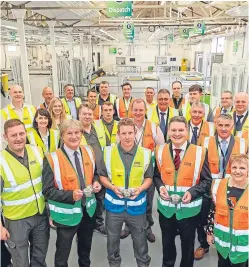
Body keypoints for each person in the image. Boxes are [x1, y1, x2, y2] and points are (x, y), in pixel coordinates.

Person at [42, 119, 102, 267]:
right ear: (62, 136)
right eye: (69, 133)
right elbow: (47, 191)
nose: (74, 136)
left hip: (88, 210)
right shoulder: (52, 159)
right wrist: (70, 195)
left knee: (85, 249)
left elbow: (94, 173)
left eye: (77, 133)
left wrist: (96, 182)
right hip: (66, 216)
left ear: (81, 134)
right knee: (62, 254)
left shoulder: (89, 151)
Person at [154, 116, 212, 267]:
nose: (177, 133)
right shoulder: (159, 151)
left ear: (187, 131)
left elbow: (207, 181)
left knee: (187, 246)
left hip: (189, 211)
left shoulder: (200, 152)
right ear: (168, 132)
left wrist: (192, 193)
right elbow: (155, 176)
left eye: (181, 130)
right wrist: (160, 187)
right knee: (167, 245)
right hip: (166, 210)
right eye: (173, 130)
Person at [100, 118, 153, 267]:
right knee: (112, 242)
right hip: (113, 208)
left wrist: (141, 189)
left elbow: (149, 178)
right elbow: (102, 176)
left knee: (141, 242)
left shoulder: (146, 154)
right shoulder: (108, 152)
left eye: (130, 133)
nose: (127, 136)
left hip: (137, 207)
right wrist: (112, 187)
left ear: (135, 133)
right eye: (124, 133)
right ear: (118, 134)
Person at [195, 114, 248, 260]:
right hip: (209, 188)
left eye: (227, 125)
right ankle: (203, 244)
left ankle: (233, 245)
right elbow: (200, 166)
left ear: (232, 127)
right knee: (205, 217)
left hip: (234, 187)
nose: (223, 129)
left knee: (232, 217)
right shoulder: (206, 141)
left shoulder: (243, 143)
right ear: (216, 126)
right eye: (220, 125)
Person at [1, 119, 49, 267]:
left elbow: (47, 183)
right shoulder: (1, 161)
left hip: (40, 215)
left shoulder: (36, 151)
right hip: (16, 221)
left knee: (39, 257)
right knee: (20, 261)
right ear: (5, 137)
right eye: (13, 135)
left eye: (21, 133)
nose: (19, 138)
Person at [120, 99, 164, 242]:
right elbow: (118, 147)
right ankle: (128, 226)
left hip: (147, 171)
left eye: (141, 110)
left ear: (145, 110)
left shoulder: (153, 127)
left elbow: (161, 149)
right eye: (135, 110)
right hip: (129, 170)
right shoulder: (126, 126)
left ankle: (147, 226)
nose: (138, 113)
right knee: (128, 198)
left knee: (148, 200)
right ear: (131, 110)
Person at [207, 154, 249, 267]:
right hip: (222, 241)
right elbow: (213, 210)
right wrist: (210, 233)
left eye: (242, 168)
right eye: (234, 167)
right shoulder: (220, 184)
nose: (237, 171)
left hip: (243, 244)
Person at [79, 104, 107, 236]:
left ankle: (99, 223)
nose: (87, 116)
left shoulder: (99, 129)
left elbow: (107, 148)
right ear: (79, 115)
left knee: (100, 198)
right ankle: (84, 227)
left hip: (100, 170)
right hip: (84, 172)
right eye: (84, 114)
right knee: (85, 199)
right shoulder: (75, 132)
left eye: (90, 114)